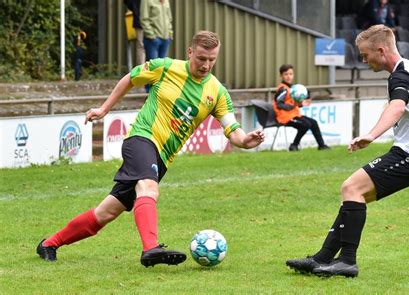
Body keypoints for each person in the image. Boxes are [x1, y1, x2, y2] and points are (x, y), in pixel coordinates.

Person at [36, 31, 265, 267]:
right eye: (201, 58)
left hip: (163, 157)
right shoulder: (164, 67)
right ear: (189, 52)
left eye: (212, 60)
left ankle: (49, 244)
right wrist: (104, 109)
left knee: (106, 212)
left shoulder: (217, 92)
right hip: (141, 138)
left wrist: (247, 140)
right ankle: (151, 248)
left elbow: (234, 131)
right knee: (149, 188)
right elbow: (130, 78)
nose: (206, 65)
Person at [286, 24, 409, 277]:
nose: (363, 61)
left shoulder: (400, 76)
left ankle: (347, 261)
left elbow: (396, 107)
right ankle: (322, 258)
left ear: (381, 50)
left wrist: (371, 135)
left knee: (351, 187)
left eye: (365, 55)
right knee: (354, 194)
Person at [273, 64, 329, 152]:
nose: (288, 76)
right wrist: (292, 106)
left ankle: (322, 145)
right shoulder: (283, 89)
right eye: (286, 74)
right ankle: (294, 145)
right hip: (285, 118)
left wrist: (302, 104)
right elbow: (279, 104)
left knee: (313, 122)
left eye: (290, 74)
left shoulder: (292, 88)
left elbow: (293, 104)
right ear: (281, 76)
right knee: (306, 124)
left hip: (294, 115)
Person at [124, 0, 146, 65]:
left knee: (141, 46)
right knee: (142, 46)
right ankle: (142, 70)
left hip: (141, 20)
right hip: (142, 21)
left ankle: (142, 69)